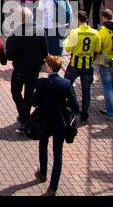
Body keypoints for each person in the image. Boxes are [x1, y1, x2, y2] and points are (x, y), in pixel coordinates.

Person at [32, 55, 78, 195]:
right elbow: (75, 105)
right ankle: (53, 188)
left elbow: (34, 101)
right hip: (60, 122)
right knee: (58, 155)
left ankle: (43, 172)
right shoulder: (66, 84)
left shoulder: (41, 83)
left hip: (45, 120)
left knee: (43, 144)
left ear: (50, 67)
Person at [63, 10, 99, 122]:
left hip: (75, 64)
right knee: (86, 90)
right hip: (88, 65)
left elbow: (68, 49)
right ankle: (85, 114)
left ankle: (74, 106)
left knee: (67, 83)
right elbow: (97, 49)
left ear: (78, 20)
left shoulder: (74, 32)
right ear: (87, 19)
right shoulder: (95, 33)